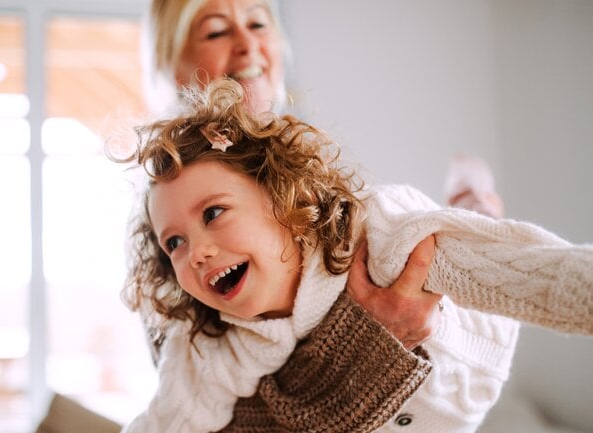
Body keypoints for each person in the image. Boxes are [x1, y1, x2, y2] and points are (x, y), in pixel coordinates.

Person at [119, 79, 593, 433]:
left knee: (461, 233)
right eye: (173, 243)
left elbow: (532, 276)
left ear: (282, 198)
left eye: (215, 212)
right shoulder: (212, 346)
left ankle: (470, 197)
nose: (196, 251)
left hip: (467, 362)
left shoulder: (369, 235)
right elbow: (167, 420)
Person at [141, 0, 442, 352]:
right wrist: (372, 346)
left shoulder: (323, 169)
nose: (248, 45)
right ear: (174, 65)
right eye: (216, 31)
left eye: (257, 24)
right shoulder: (161, 214)